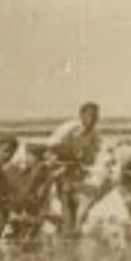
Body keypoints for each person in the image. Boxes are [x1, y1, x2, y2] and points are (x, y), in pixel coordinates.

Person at [45, 101, 102, 236]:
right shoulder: (70, 129)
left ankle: (70, 231)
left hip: (78, 172)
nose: (92, 119)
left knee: (75, 203)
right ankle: (67, 230)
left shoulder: (94, 135)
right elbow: (52, 145)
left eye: (95, 116)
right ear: (81, 115)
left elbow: (92, 158)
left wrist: (83, 158)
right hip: (62, 168)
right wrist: (69, 154)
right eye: (89, 115)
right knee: (65, 198)